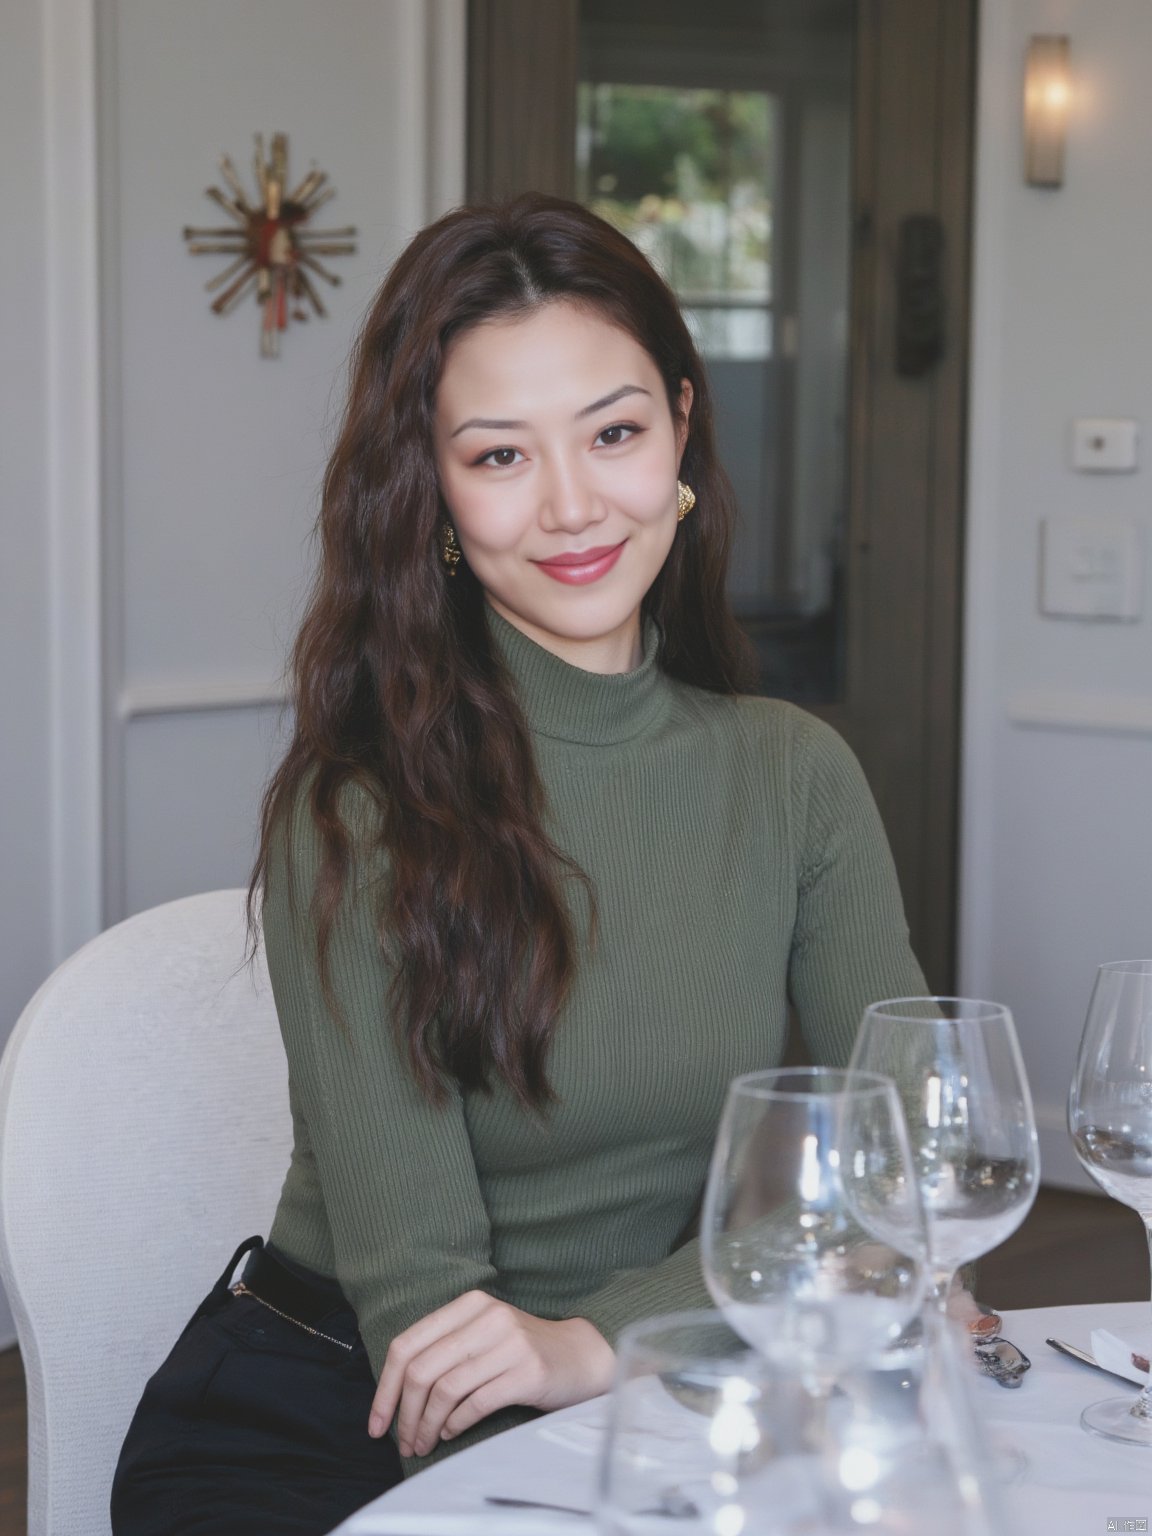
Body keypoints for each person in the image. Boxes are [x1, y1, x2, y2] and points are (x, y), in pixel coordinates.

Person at [111, 193, 929, 1535]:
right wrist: (730, 1308)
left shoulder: (793, 776)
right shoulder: (357, 808)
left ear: (679, 426)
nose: (570, 506)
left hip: (647, 1390)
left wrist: (604, 1344)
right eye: (499, 457)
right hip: (332, 1418)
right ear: (430, 488)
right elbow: (432, 1332)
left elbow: (895, 1185)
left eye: (612, 433)